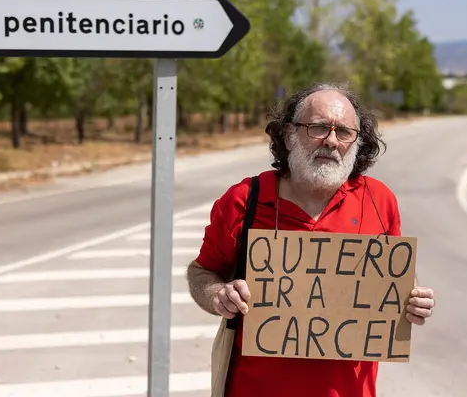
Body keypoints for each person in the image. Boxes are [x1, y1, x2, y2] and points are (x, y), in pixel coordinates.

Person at [186, 81, 436, 397]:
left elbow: (394, 278)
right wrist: (219, 295)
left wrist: (412, 299)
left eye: (344, 132)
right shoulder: (243, 201)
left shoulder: (379, 200)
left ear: (357, 143)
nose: (331, 141)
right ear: (290, 135)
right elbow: (201, 273)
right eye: (318, 128)